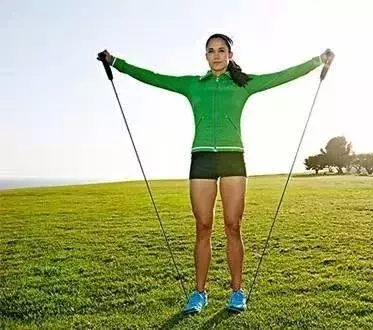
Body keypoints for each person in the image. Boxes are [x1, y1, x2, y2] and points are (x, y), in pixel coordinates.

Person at [98, 33, 333, 314]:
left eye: (222, 50)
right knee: (203, 227)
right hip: (202, 159)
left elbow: (281, 76)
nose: (217, 55)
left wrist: (318, 61)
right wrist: (116, 62)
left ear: (230, 55)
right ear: (205, 56)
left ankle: (237, 292)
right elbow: (153, 77)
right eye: (211, 51)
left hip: (233, 158)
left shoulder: (243, 84)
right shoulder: (192, 85)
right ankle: (199, 294)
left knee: (233, 226)